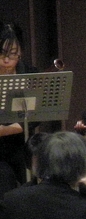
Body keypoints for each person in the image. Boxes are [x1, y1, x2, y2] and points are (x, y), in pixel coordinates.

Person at [0, 21, 38, 198]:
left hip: (22, 143)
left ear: (20, 52)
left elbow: (37, 115)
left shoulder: (30, 73)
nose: (7, 60)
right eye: (2, 53)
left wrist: (8, 130)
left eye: (13, 53)